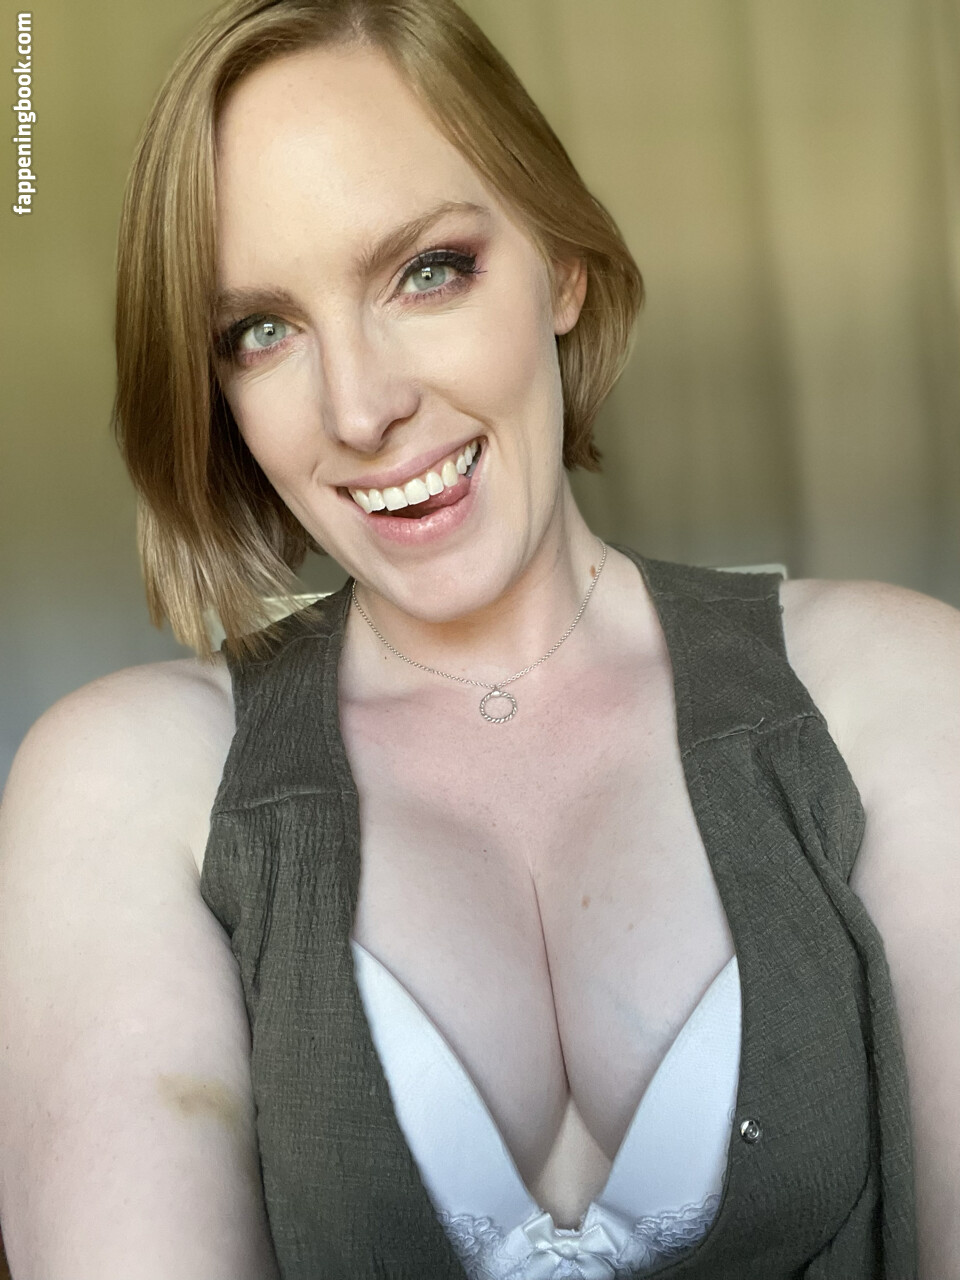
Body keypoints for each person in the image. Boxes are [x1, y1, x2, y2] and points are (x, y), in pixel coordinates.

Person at [0, 0, 957, 1276]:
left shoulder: (897, 687)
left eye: (427, 269)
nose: (361, 408)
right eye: (261, 330)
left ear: (562, 266)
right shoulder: (125, 782)